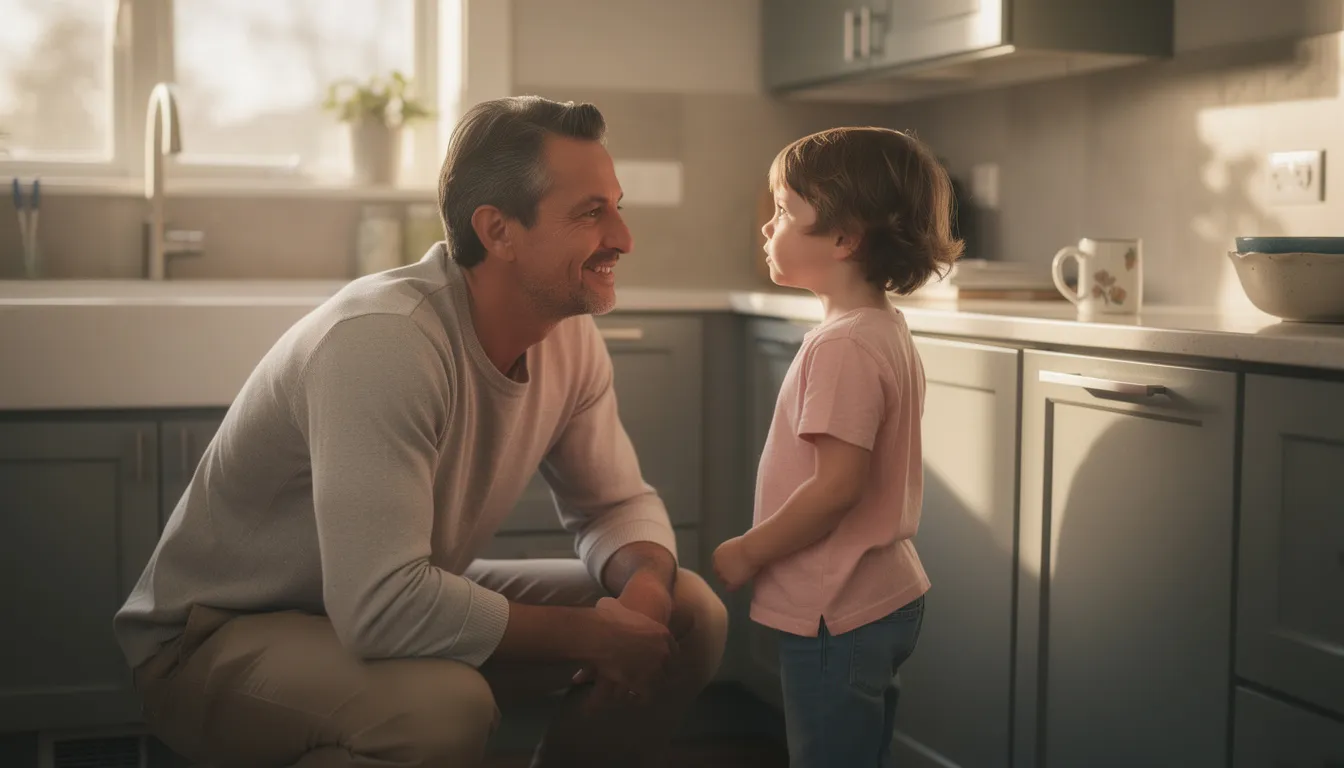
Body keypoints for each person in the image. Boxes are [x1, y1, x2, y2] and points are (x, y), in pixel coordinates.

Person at [113, 95, 728, 768]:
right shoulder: (387, 340)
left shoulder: (567, 340)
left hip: (381, 600)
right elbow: (380, 605)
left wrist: (639, 597)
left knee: (687, 613)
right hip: (214, 638)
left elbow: (615, 504)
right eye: (591, 212)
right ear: (498, 231)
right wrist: (590, 635)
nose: (623, 237)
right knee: (441, 711)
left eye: (617, 205)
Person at [712, 126, 962, 767]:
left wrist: (749, 550)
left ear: (846, 239)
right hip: (883, 594)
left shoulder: (843, 345)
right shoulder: (882, 328)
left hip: (838, 608)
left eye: (785, 213)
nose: (767, 228)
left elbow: (836, 487)